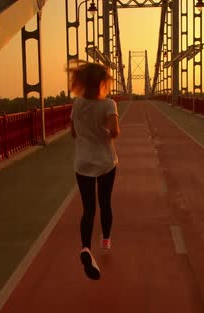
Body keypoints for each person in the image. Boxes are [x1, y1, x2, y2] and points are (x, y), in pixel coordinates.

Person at [68, 61, 120, 280]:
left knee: (88, 209)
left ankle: (85, 248)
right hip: (106, 161)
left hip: (82, 163)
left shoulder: (77, 104)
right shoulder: (109, 104)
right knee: (105, 202)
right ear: (102, 83)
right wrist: (105, 131)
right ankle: (106, 239)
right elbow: (115, 131)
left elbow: (73, 133)